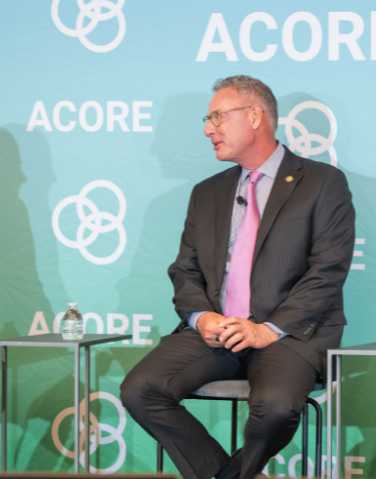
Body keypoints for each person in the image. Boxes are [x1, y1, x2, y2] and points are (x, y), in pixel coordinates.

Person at [121, 75, 355, 479]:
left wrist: (268, 329)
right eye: (207, 119)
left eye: (216, 116)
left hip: (288, 335)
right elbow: (186, 270)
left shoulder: (321, 182)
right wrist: (202, 318)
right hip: (218, 333)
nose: (208, 128)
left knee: (276, 407)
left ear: (253, 116)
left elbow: (328, 270)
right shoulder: (207, 192)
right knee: (141, 389)